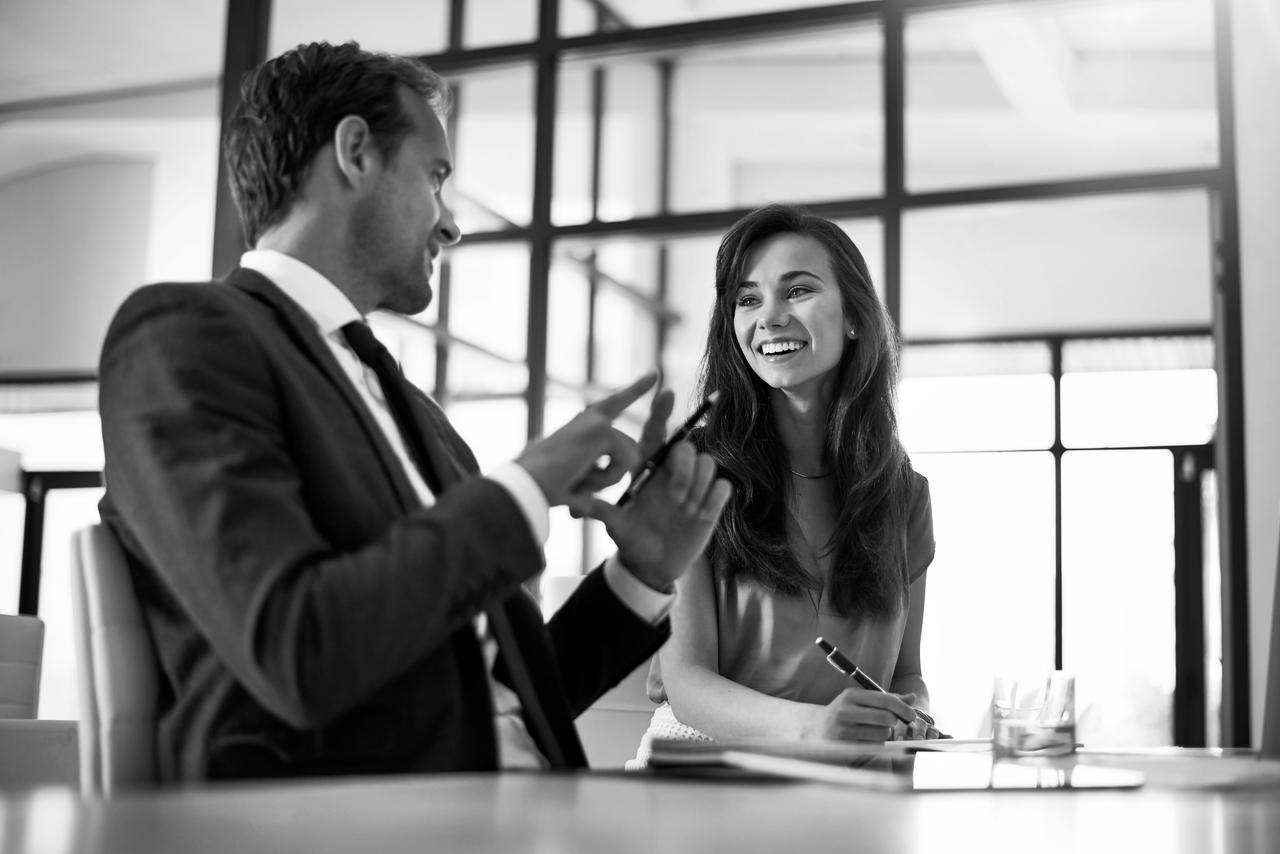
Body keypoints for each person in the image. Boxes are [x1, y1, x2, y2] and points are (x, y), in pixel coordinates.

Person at [96, 40, 731, 782]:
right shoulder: (186, 337)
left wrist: (643, 573)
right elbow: (295, 650)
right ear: (355, 152)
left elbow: (500, 697)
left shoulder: (417, 415)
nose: (451, 224)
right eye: (435, 178)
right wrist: (524, 488)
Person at [638, 204, 938, 757]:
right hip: (704, 777)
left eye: (797, 291)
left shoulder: (903, 493)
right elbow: (687, 684)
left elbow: (907, 675)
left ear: (854, 316)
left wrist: (910, 713)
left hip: (849, 785)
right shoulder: (689, 473)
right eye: (748, 299)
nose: (768, 317)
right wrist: (816, 727)